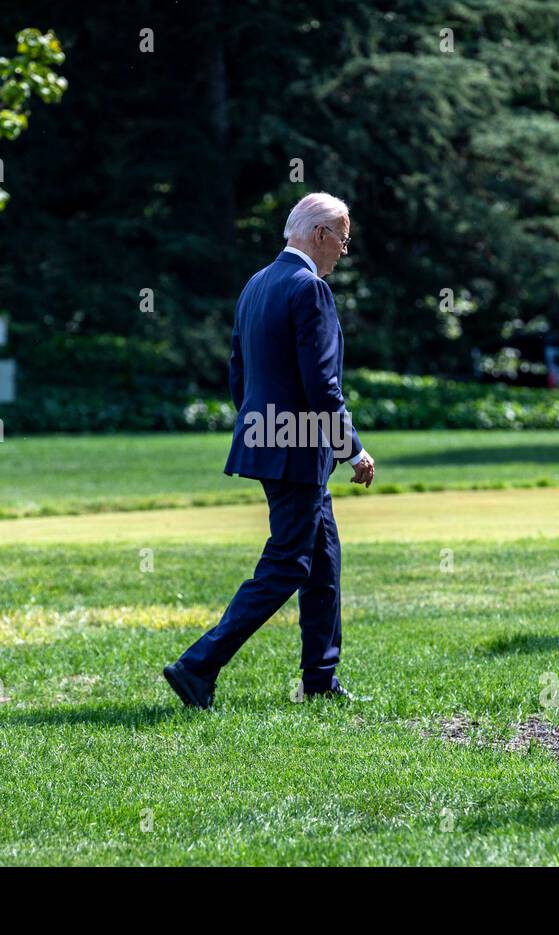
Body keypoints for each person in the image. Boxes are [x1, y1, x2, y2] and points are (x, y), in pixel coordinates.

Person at [162, 193, 373, 709]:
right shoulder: (310, 290)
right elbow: (323, 387)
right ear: (320, 235)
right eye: (343, 240)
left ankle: (320, 680)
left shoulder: (257, 284)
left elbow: (239, 372)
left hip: (269, 440)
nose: (344, 252)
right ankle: (196, 666)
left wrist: (260, 425)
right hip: (297, 448)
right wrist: (353, 451)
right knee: (287, 563)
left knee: (322, 561)